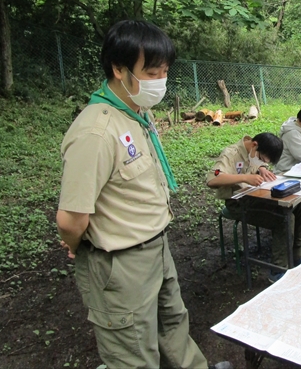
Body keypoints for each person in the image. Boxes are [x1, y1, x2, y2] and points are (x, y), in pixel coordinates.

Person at [56, 20, 232, 369]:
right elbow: (72, 218)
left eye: (164, 71)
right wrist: (77, 246)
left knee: (173, 325)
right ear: (119, 69)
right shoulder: (96, 132)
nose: (160, 80)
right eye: (152, 72)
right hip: (119, 264)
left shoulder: (137, 114)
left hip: (156, 247)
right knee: (133, 353)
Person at [206, 133, 301, 283]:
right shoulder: (231, 153)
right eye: (262, 159)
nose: (261, 162)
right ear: (254, 145)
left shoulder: (255, 151)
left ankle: (298, 254)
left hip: (257, 196)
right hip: (238, 202)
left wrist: (261, 167)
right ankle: (278, 270)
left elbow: (256, 162)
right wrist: (244, 178)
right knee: (283, 220)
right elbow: (213, 179)